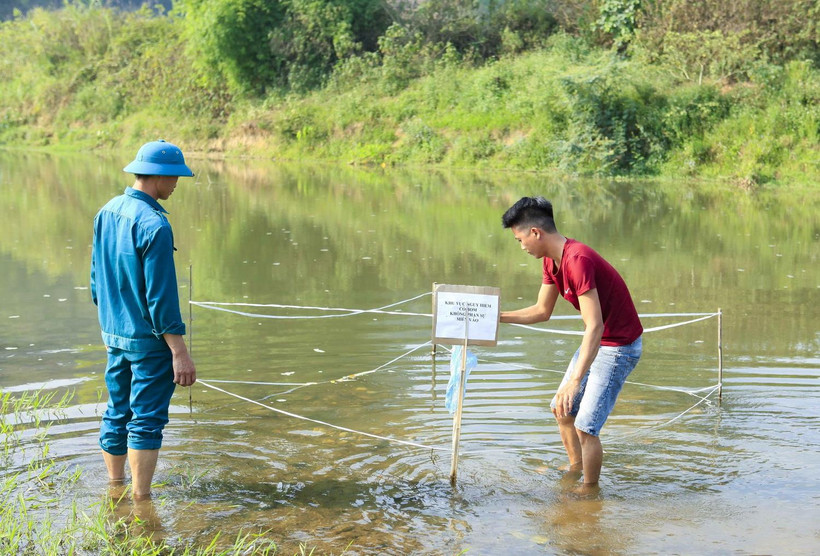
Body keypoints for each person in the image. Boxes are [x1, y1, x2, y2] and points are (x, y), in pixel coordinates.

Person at [499, 196, 642, 489]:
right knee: (561, 408)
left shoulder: (578, 260)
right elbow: (541, 311)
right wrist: (495, 317)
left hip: (619, 346)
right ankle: (575, 468)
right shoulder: (552, 262)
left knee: (586, 426)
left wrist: (575, 381)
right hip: (599, 340)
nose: (521, 246)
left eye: (519, 239)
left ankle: (589, 494)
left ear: (535, 232)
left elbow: (595, 325)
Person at [90, 139, 197, 499]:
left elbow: (95, 281)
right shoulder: (155, 225)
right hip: (149, 341)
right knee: (147, 420)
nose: (178, 183)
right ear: (159, 177)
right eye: (175, 176)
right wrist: (179, 352)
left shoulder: (107, 211)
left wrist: (110, 324)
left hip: (114, 333)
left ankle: (115, 487)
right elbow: (161, 298)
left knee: (117, 410)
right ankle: (141, 500)